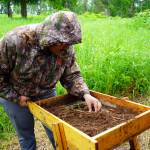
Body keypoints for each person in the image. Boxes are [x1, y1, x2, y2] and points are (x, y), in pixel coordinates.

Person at [0, 11, 102, 150]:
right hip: (16, 93)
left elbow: (72, 75)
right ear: (50, 37)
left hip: (46, 92)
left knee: (57, 132)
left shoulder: (65, 47)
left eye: (68, 44)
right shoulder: (15, 41)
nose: (66, 48)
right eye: (62, 43)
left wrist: (85, 94)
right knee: (26, 135)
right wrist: (16, 97)